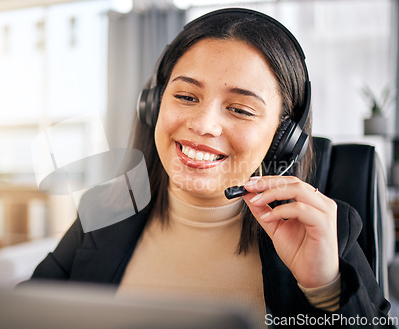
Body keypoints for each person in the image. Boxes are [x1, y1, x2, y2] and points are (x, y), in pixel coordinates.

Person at [27, 8, 394, 328]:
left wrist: (325, 289)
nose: (203, 124)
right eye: (186, 97)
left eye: (240, 109)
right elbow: (21, 312)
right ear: (153, 106)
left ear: (284, 138)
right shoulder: (106, 208)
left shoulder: (325, 232)